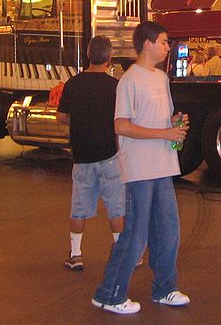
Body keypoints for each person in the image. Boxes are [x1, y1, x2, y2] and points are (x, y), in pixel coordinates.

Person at [92, 21, 191, 315]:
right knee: (136, 235)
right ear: (147, 44)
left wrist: (175, 125)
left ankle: (165, 288)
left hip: (162, 165)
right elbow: (121, 125)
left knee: (169, 232)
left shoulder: (161, 78)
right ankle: (109, 293)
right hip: (138, 169)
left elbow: (163, 120)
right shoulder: (129, 81)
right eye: (163, 41)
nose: (167, 47)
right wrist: (164, 134)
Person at [57, 36, 126, 271]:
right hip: (109, 154)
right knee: (116, 208)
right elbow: (121, 121)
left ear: (88, 54)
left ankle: (75, 254)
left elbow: (62, 117)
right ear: (109, 58)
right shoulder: (114, 86)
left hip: (82, 155)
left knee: (79, 208)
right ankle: (120, 253)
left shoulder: (73, 84)